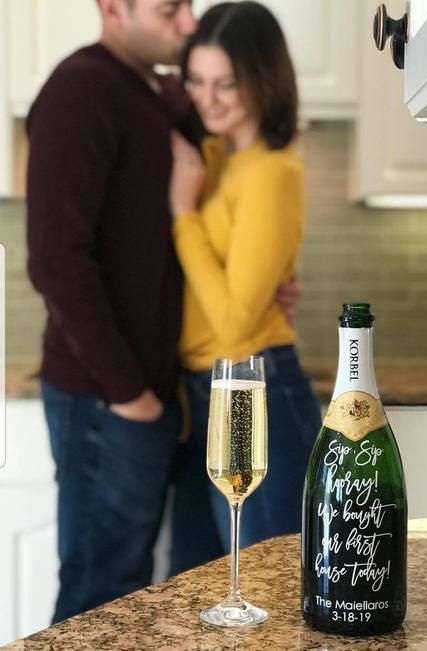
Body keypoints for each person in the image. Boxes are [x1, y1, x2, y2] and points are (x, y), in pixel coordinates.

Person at [26, 0, 298, 623]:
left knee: (158, 599)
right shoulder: (79, 93)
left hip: (161, 393)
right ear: (112, 9)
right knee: (100, 596)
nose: (188, 23)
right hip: (105, 400)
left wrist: (269, 269)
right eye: (170, 9)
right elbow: (55, 261)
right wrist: (131, 396)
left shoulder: (160, 93)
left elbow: (238, 166)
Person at [168, 0, 322, 569]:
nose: (206, 98)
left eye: (225, 84)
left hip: (253, 389)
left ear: (262, 79)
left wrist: (183, 214)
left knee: (264, 583)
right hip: (206, 391)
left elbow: (235, 324)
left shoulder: (272, 172)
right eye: (197, 81)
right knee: (199, 586)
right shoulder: (213, 154)